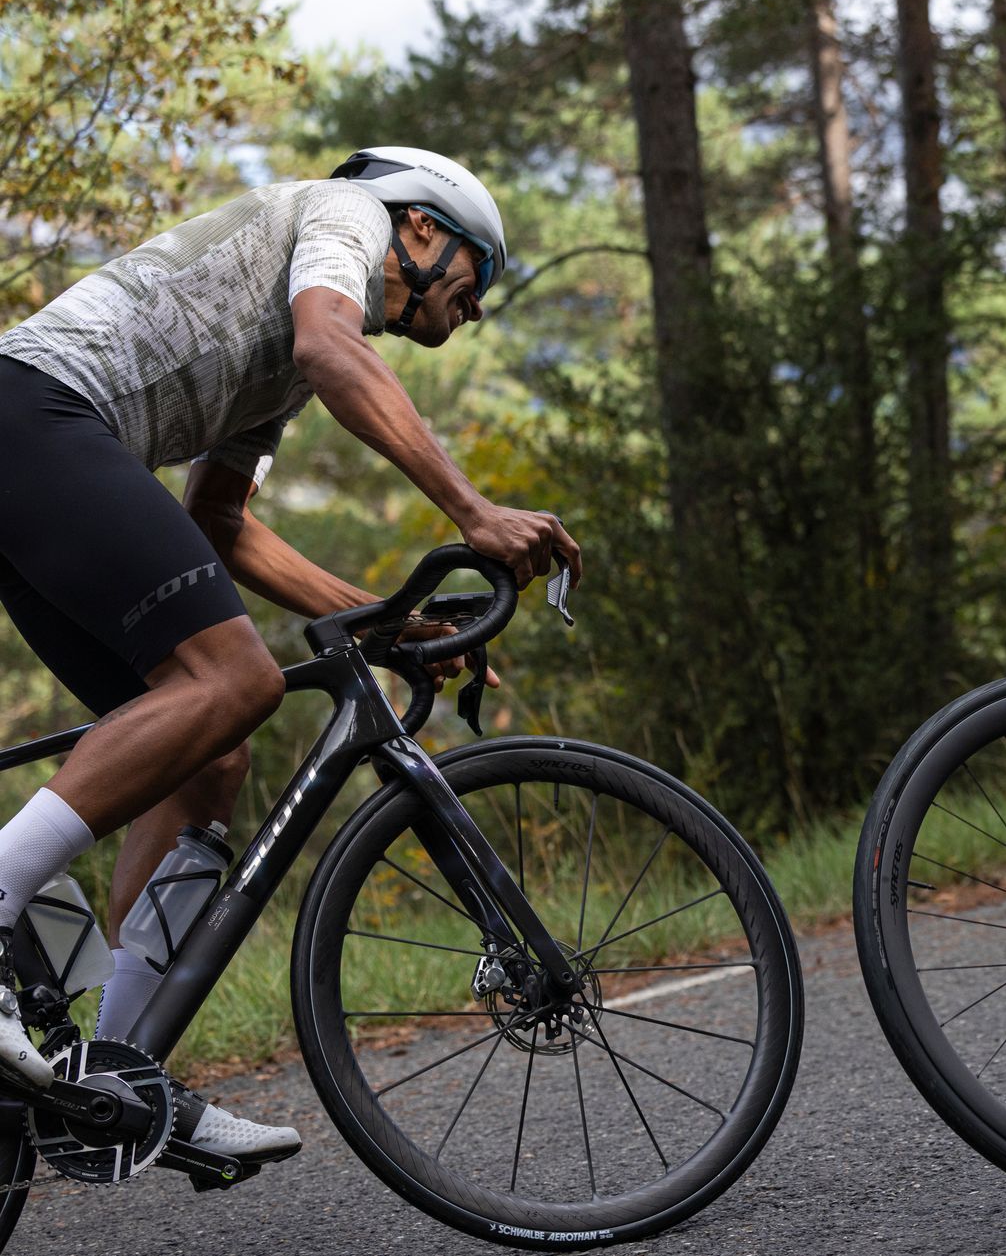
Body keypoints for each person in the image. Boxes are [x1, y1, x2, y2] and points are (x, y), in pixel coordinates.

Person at [0, 147, 583, 1158]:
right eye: (480, 273)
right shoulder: (344, 219)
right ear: (422, 228)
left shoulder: (283, 352)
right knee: (237, 680)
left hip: (39, 444)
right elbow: (329, 347)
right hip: (37, 414)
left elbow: (220, 521)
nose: (477, 307)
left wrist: (387, 620)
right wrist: (474, 512)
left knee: (210, 752)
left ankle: (117, 1083)